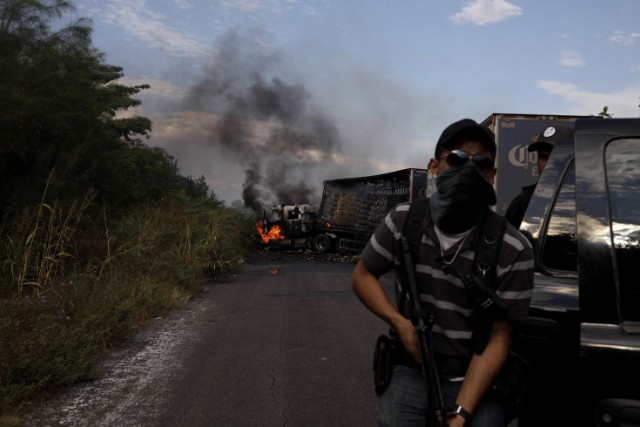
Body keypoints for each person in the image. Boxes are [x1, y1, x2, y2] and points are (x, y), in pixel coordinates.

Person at [351, 118, 534, 427]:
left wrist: (461, 415)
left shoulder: (513, 247)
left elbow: (499, 339)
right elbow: (362, 276)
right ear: (434, 166)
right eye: (458, 158)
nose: (469, 169)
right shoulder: (403, 221)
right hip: (413, 369)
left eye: (481, 163)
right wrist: (400, 323)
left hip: (476, 373)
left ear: (492, 174)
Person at [504, 125, 574, 228]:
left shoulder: (590, 202)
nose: (549, 164)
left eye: (556, 156)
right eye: (544, 157)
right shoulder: (520, 205)